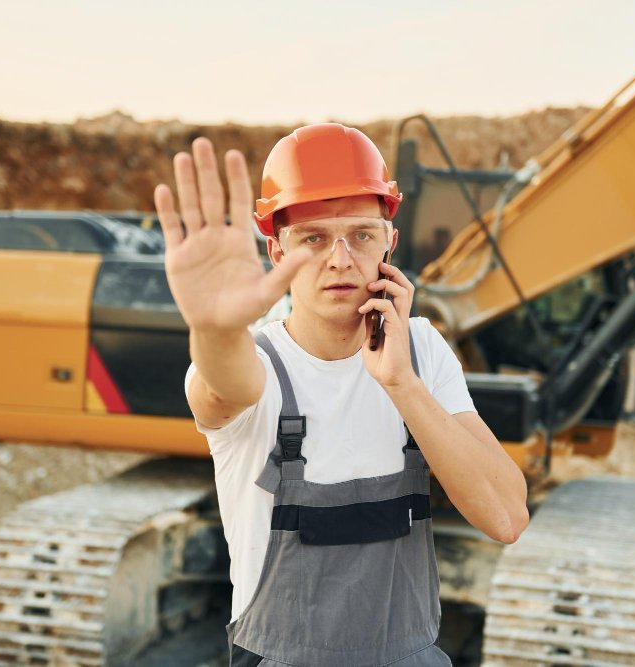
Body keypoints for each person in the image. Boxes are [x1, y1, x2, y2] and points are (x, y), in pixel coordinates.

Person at [155, 123, 529, 666]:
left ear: (389, 241)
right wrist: (213, 328)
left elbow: (506, 518)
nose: (339, 258)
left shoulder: (421, 349)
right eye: (312, 238)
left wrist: (401, 383)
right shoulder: (257, 362)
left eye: (360, 234)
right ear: (275, 247)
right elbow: (222, 385)